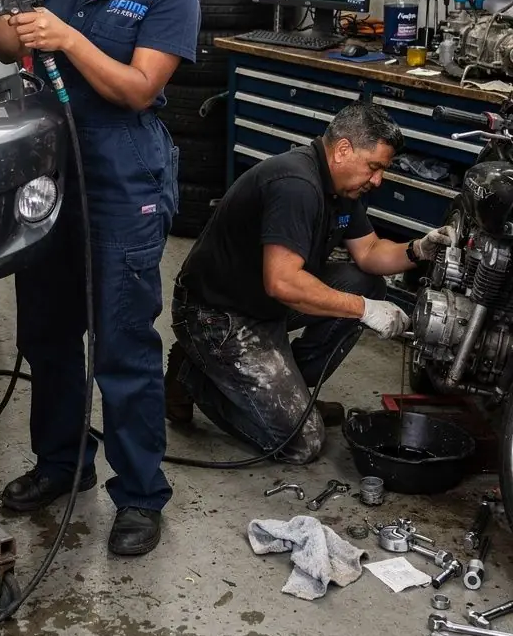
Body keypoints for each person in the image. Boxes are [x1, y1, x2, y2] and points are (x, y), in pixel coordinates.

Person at [0, 0, 200, 556]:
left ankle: (139, 497)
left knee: (123, 343)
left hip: (121, 175)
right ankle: (63, 467)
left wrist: (69, 38)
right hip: (49, 167)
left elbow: (137, 88)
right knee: (47, 331)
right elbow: (13, 43)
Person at [166, 103, 454, 464]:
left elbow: (368, 252)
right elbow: (283, 282)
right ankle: (195, 376)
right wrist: (363, 310)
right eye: (375, 167)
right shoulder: (296, 185)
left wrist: (418, 249)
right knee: (302, 443)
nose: (378, 180)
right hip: (219, 315)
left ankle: (289, 395)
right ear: (344, 149)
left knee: (366, 283)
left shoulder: (341, 187)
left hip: (261, 302)